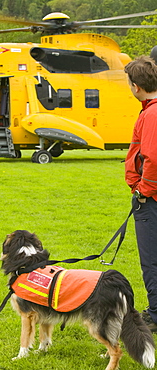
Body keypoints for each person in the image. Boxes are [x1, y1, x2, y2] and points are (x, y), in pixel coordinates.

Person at [124, 56, 157, 332]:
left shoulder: (151, 114)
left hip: (152, 200)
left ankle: (156, 314)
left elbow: (153, 158)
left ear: (136, 86)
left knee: (151, 259)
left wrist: (143, 190)